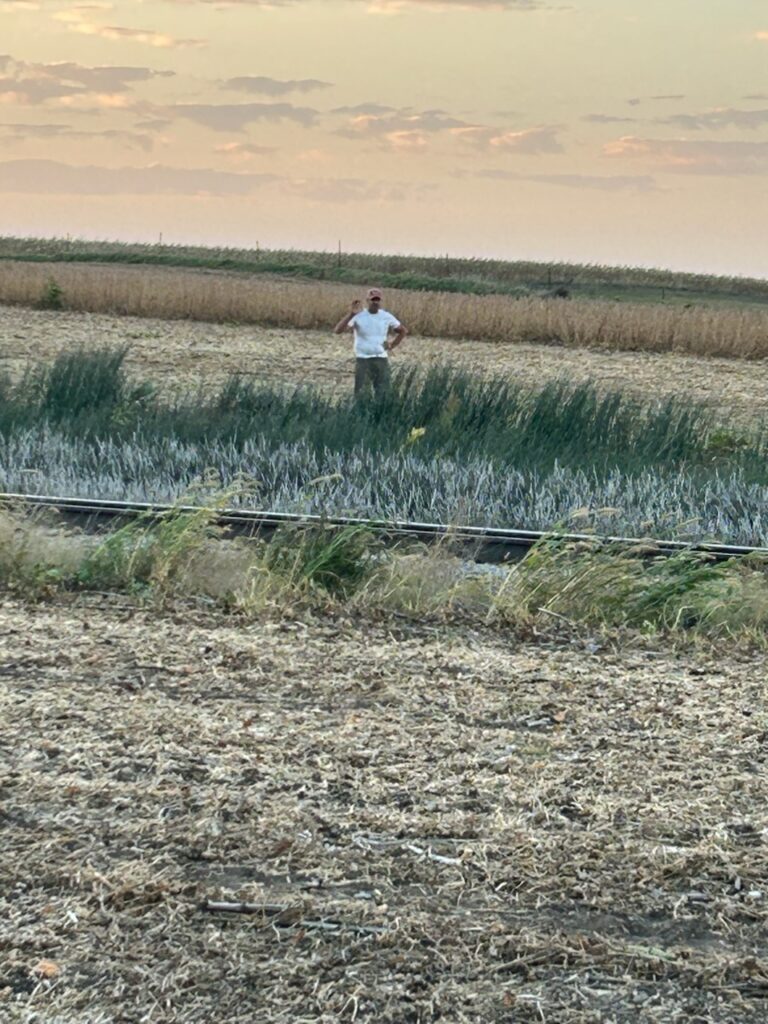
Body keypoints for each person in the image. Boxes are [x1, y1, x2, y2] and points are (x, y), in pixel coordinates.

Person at [334, 287, 407, 398]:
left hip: (381, 360)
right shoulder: (358, 315)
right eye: (373, 300)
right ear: (367, 301)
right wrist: (351, 314)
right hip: (363, 360)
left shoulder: (386, 316)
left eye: (377, 300)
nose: (375, 302)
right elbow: (337, 331)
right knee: (362, 394)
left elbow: (403, 331)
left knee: (383, 394)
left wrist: (392, 345)